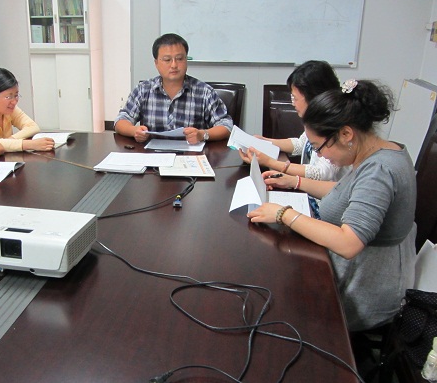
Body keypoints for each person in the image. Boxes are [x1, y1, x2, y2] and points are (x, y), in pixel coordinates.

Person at [247, 79, 417, 332]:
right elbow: (346, 192)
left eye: (319, 147)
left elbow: (348, 243)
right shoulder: (382, 151)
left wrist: (283, 213)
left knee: (273, 297)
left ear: (346, 134)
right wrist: (294, 181)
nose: (320, 156)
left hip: (363, 289)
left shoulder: (379, 170)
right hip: (359, 272)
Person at [239, 60, 346, 217]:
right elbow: (301, 144)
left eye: (295, 98)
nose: (293, 103)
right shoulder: (315, 120)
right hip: (309, 195)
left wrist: (271, 162)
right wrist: (266, 141)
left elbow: (321, 173)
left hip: (323, 207)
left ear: (313, 97)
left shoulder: (334, 124)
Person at [114, 33, 232, 144]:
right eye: (167, 60)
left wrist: (202, 134)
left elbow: (226, 125)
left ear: (186, 60)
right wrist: (134, 131)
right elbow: (121, 120)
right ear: (156, 63)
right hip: (152, 154)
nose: (174, 65)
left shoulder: (204, 92)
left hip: (191, 154)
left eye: (179, 59)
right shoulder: (143, 90)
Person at [0, 68, 55, 152]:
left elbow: (32, 127)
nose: (14, 102)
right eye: (8, 97)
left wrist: (11, 140)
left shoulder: (8, 109)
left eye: (16, 95)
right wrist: (28, 144)